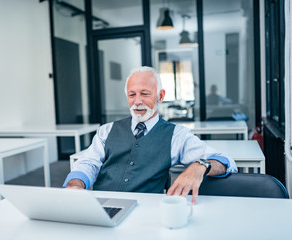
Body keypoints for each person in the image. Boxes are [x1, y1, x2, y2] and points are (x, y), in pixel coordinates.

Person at [63, 66, 238, 204]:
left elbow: (226, 161)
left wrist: (200, 166)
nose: (137, 101)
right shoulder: (106, 131)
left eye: (145, 94)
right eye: (132, 95)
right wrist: (75, 183)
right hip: (101, 206)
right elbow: (89, 162)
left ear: (160, 96)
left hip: (146, 211)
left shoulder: (177, 135)